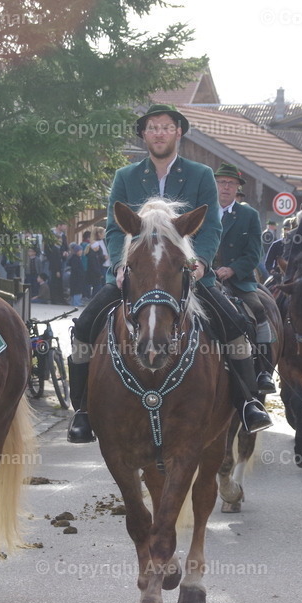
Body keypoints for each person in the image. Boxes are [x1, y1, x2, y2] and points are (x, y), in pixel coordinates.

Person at [66, 104, 271, 444]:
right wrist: (119, 265)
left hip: (185, 274)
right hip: (135, 276)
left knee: (236, 327)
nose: (159, 132)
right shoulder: (126, 177)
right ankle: (83, 412)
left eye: (166, 127)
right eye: (152, 127)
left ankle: (248, 403)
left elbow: (210, 227)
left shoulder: (201, 174)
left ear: (178, 132)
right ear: (144, 135)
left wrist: (202, 261)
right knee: (84, 328)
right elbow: (115, 230)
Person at [213, 162, 275, 394]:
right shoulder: (203, 210)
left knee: (258, 310)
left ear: (237, 187)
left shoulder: (248, 214)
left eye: (231, 183)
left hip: (239, 279)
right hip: (205, 277)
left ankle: (263, 370)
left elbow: (254, 252)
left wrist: (232, 269)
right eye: (222, 182)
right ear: (215, 185)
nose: (226, 187)